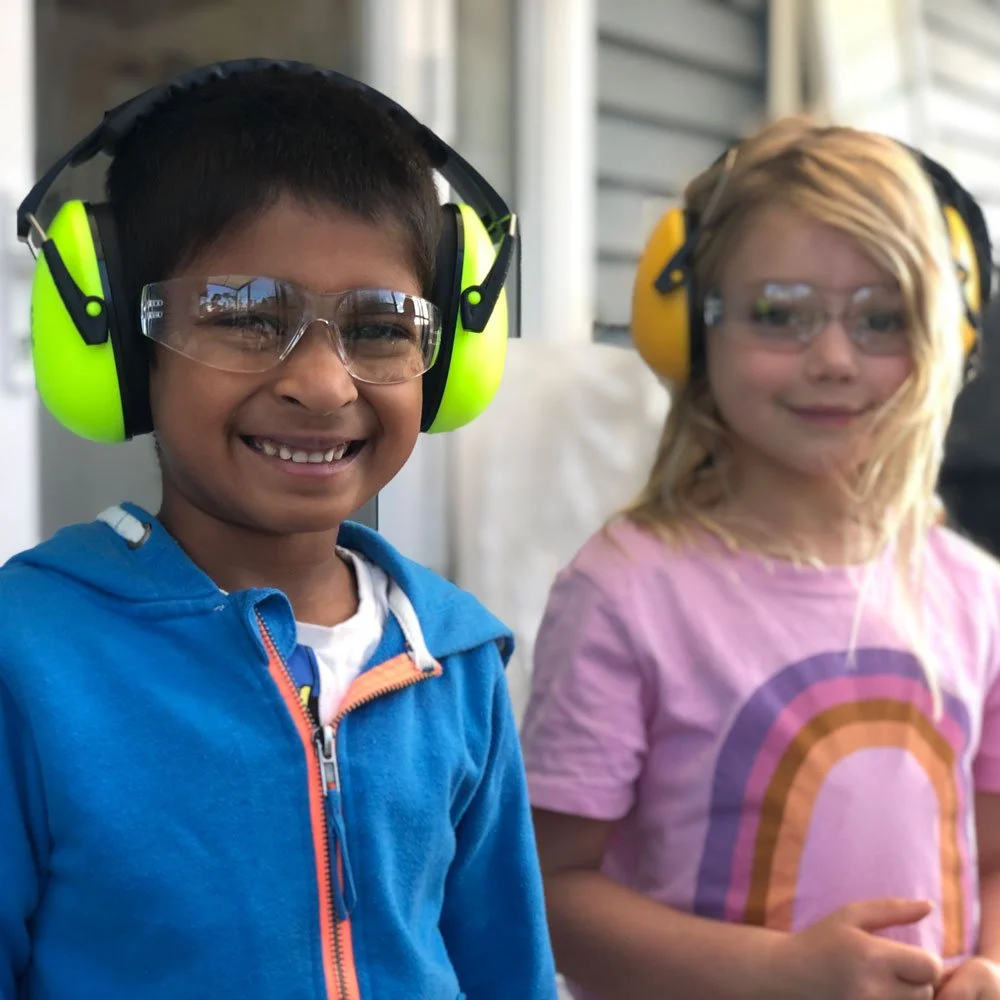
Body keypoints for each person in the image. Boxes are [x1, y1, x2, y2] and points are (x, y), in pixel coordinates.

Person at [0, 60, 556, 1000]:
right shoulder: (28, 660)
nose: (324, 385)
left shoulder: (454, 659)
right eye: (248, 315)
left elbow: (508, 973)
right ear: (119, 343)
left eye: (379, 327)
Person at [521, 117, 1000, 1000]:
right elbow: (548, 894)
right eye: (779, 313)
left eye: (882, 319)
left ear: (944, 337)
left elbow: (994, 857)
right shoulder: (626, 594)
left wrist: (990, 966)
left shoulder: (979, 597)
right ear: (692, 330)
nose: (834, 358)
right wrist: (779, 974)